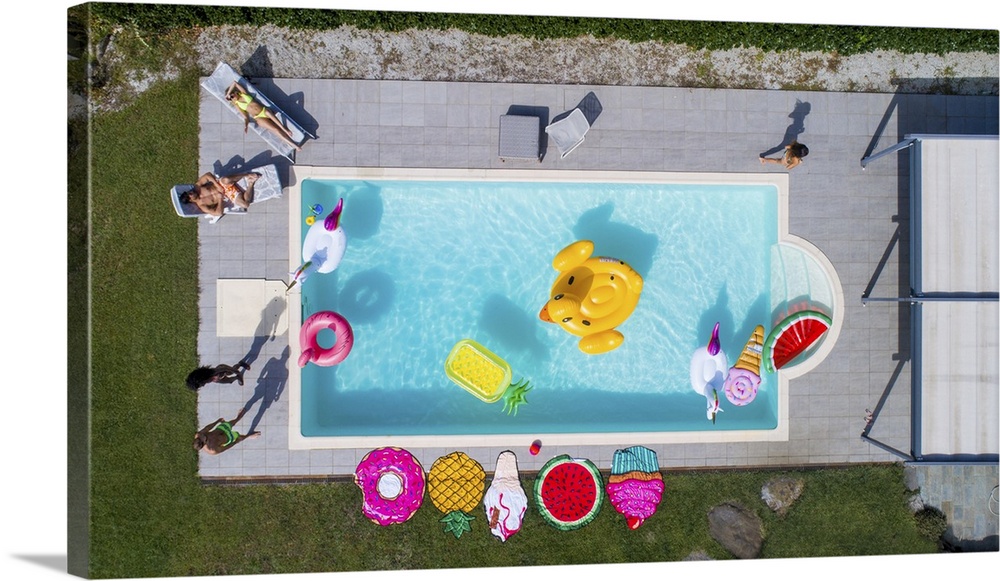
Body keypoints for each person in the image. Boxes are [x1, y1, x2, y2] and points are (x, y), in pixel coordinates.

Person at [224, 81, 302, 152]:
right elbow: (245, 117)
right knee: (275, 130)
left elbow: (234, 83)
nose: (232, 98)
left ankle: (284, 129)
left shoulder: (243, 93)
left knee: (268, 112)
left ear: (234, 92)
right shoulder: (237, 104)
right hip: (258, 117)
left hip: (263, 111)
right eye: (230, 99)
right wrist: (246, 125)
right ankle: (294, 145)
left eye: (231, 96)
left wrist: (228, 93)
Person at [193, 407, 259, 455]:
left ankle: (238, 417)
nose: (204, 435)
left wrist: (217, 421)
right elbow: (226, 447)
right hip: (228, 438)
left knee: (232, 422)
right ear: (204, 444)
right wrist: (236, 442)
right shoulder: (212, 450)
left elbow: (208, 427)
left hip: (220, 429)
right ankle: (248, 436)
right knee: (239, 437)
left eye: (202, 436)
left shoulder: (199, 434)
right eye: (204, 438)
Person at [186, 361, 250, 391]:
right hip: (218, 379)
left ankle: (240, 364)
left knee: (231, 371)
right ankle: (237, 378)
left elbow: (225, 369)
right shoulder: (205, 380)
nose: (203, 385)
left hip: (222, 370)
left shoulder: (215, 371)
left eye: (202, 384)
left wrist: (237, 372)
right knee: (229, 381)